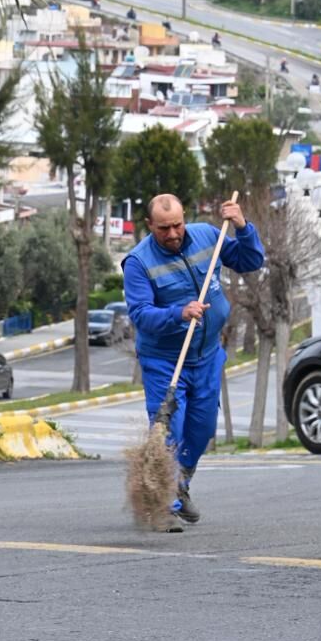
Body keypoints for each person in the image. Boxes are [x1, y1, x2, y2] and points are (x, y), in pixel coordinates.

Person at [124, 194, 265, 532]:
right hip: (165, 360)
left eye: (176, 225)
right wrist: (179, 313)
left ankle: (180, 482)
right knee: (169, 430)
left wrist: (243, 226)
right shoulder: (138, 262)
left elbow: (251, 260)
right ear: (150, 226)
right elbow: (140, 315)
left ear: (184, 217)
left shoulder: (207, 235)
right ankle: (166, 505)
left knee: (201, 430)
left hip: (206, 355)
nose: (172, 234)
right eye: (163, 229)